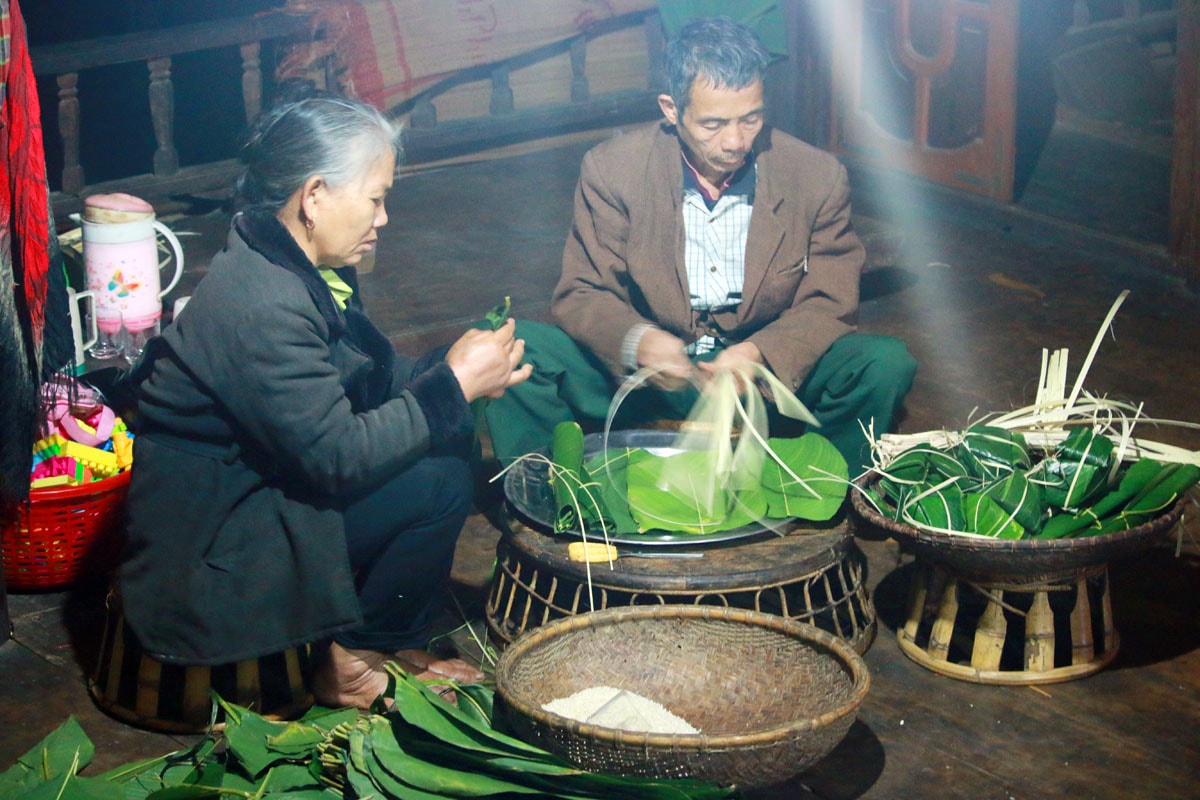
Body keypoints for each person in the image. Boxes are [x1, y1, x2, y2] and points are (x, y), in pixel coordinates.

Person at [117, 90, 531, 709]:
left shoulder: (296, 260)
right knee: (440, 479)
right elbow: (335, 456)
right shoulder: (263, 301)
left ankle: (385, 638)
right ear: (314, 196)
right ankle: (354, 664)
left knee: (445, 431)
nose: (383, 218)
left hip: (258, 488)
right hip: (213, 547)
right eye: (375, 198)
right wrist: (453, 385)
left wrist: (448, 370)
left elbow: (351, 386)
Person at [485, 16, 916, 474]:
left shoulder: (815, 176)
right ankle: (553, 492)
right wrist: (640, 341)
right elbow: (583, 291)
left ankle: (816, 491)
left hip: (758, 379)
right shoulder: (613, 170)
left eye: (750, 118)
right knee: (517, 348)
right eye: (713, 124)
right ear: (671, 110)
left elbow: (829, 302)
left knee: (884, 363)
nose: (735, 142)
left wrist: (759, 354)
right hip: (653, 379)